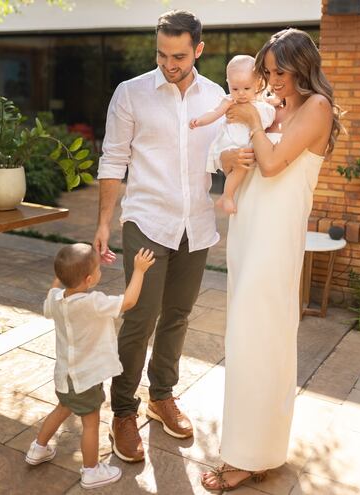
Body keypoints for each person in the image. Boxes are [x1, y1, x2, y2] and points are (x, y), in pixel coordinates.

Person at [94, 10, 249, 464]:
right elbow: (112, 159)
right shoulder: (131, 93)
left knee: (178, 315)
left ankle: (162, 396)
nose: (169, 63)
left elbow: (219, 158)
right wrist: (104, 222)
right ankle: (123, 410)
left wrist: (236, 157)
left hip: (195, 224)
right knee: (140, 316)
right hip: (147, 220)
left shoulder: (218, 96)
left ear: (198, 50)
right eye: (162, 54)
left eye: (179, 55)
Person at [202, 28, 341, 491]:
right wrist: (228, 153)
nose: (272, 80)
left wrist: (256, 128)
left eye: (280, 72)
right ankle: (253, 449)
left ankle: (249, 456)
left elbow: (275, 163)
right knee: (246, 341)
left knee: (259, 340)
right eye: (267, 71)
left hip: (275, 239)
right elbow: (234, 158)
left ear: (304, 67)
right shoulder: (274, 105)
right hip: (248, 230)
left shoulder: (316, 107)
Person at [25, 243, 155, 490]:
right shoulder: (92, 302)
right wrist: (139, 270)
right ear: (89, 279)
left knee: (62, 408)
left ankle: (38, 448)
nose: (100, 271)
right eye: (97, 269)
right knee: (91, 423)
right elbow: (128, 302)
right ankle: (91, 471)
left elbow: (53, 291)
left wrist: (67, 272)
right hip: (85, 378)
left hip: (64, 376)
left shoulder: (55, 299)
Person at [190, 55, 275, 214]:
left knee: (245, 164)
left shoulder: (261, 100)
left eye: (246, 88)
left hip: (248, 143)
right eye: (235, 89)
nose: (241, 93)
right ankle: (226, 196)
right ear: (228, 84)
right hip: (232, 142)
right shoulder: (229, 101)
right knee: (241, 166)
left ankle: (228, 196)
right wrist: (200, 121)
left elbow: (273, 102)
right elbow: (215, 113)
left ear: (257, 83)